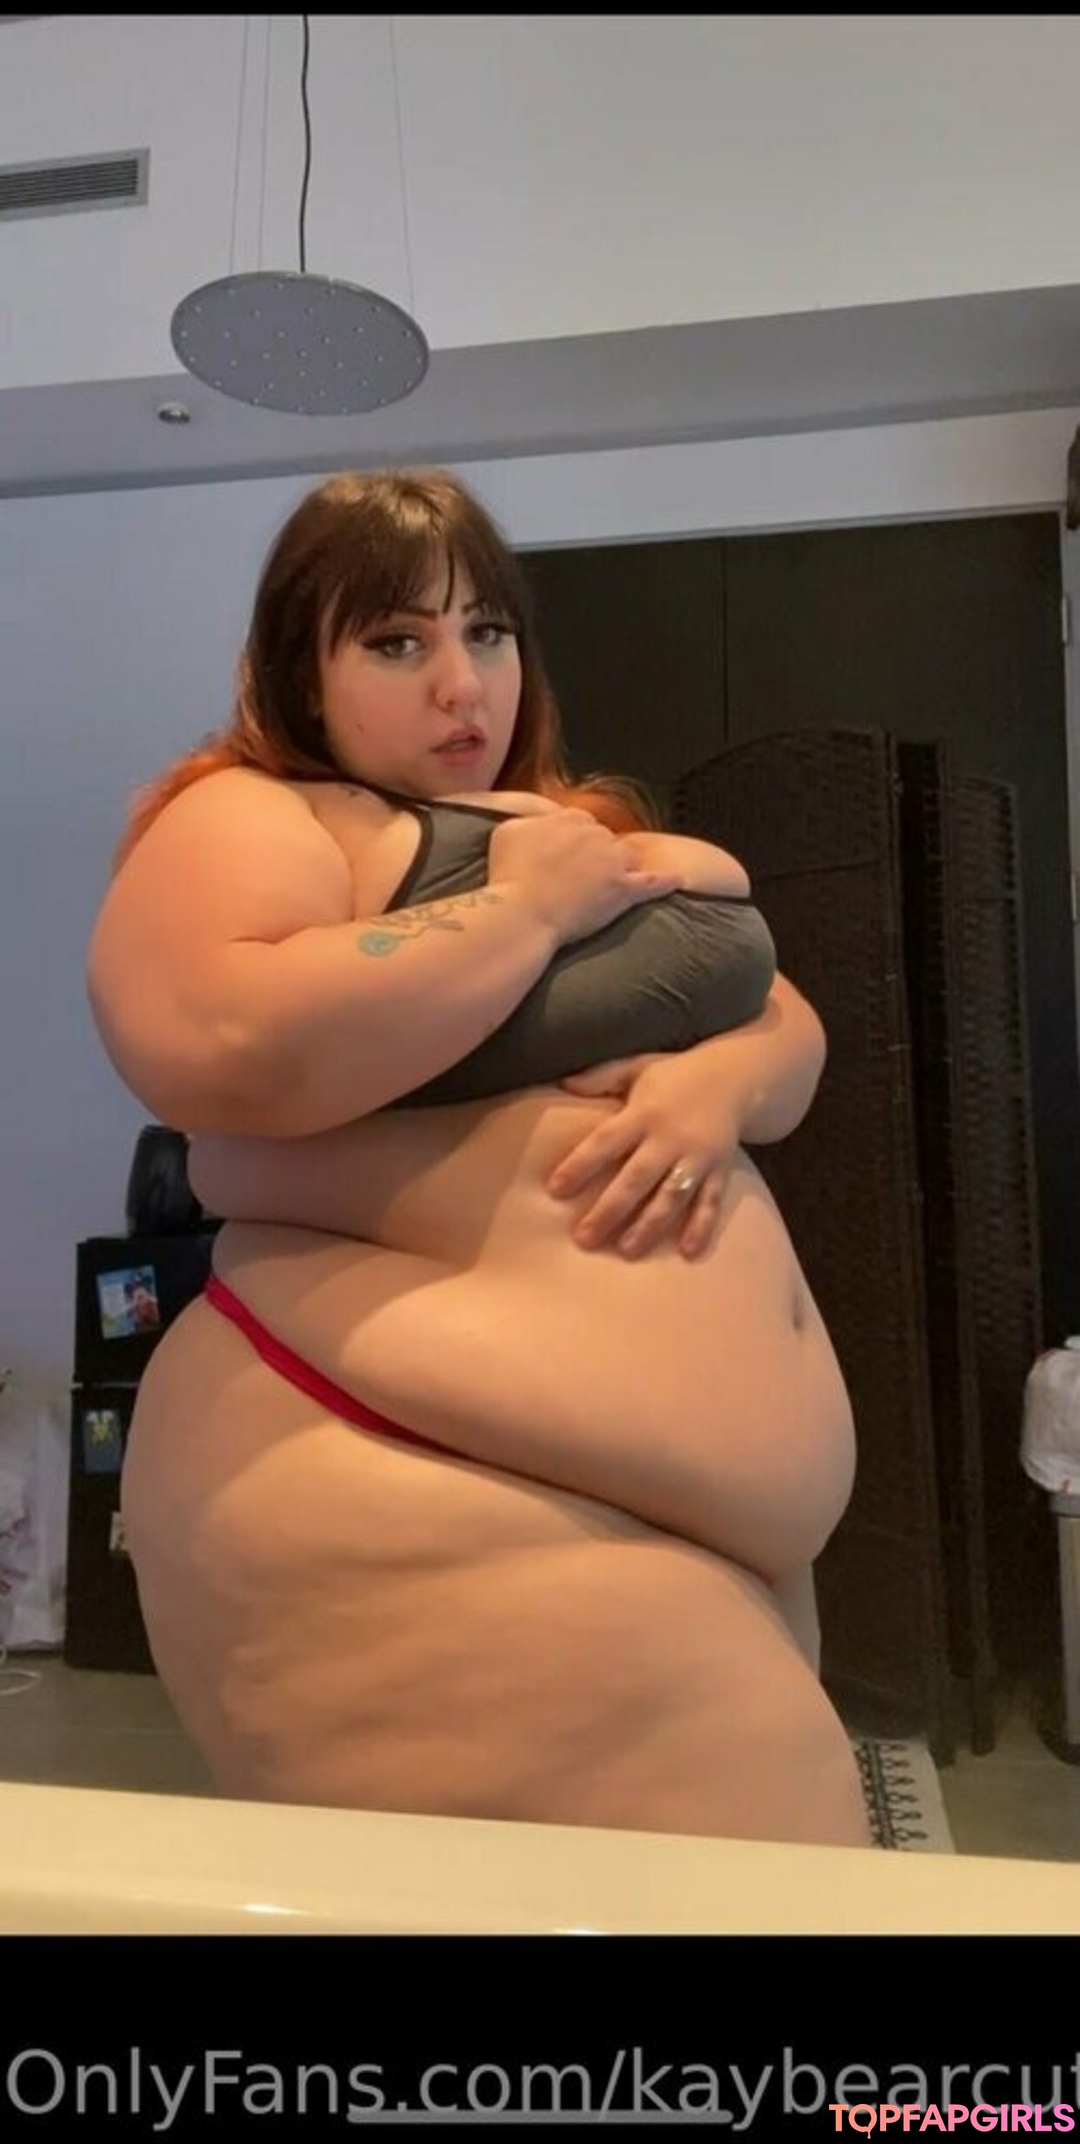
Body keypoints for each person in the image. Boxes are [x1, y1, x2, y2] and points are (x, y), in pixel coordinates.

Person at [87, 468, 869, 1848]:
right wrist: (518, 920)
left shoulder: (568, 827)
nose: (463, 684)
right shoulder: (263, 813)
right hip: (419, 1477)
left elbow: (785, 1027)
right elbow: (222, 1031)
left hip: (679, 1529)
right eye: (398, 642)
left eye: (487, 632)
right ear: (302, 670)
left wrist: (719, 1085)